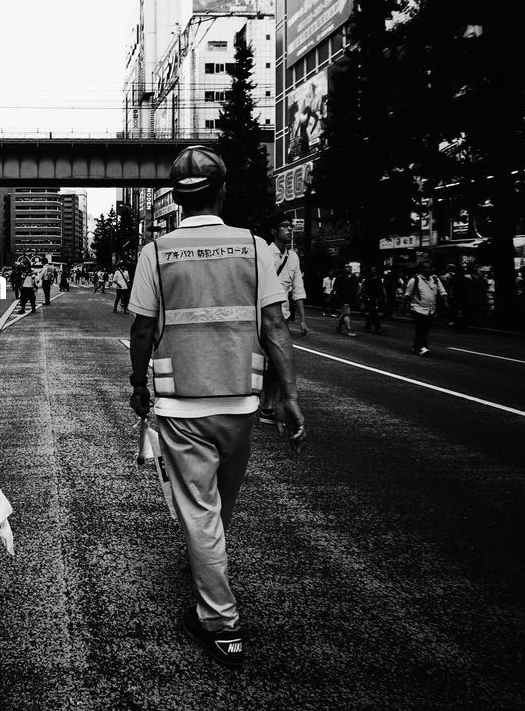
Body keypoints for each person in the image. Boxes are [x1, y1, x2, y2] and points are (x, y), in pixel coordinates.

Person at [127, 146, 304, 670]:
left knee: (201, 512)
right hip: (242, 401)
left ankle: (220, 620)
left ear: (176, 202)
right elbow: (275, 326)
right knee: (219, 505)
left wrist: (139, 383)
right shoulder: (255, 248)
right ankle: (210, 568)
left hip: (182, 401)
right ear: (222, 192)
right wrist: (289, 395)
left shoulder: (156, 253)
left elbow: (141, 329)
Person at [258, 215, 308, 430]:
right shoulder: (263, 253)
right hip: (259, 315)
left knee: (279, 363)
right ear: (273, 231)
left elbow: (297, 289)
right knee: (259, 362)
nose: (289, 230)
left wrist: (303, 320)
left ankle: (267, 406)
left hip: (282, 317)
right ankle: (254, 402)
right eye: (284, 226)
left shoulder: (293, 257)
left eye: (290, 226)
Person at [405, 261, 446, 356]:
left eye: (430, 267)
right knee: (421, 328)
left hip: (431, 310)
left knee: (425, 328)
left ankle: (416, 346)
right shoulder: (414, 280)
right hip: (418, 309)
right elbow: (408, 294)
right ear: (421, 270)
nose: (429, 269)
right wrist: (405, 307)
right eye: (426, 268)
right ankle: (422, 347)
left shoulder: (435, 279)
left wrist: (446, 302)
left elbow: (442, 291)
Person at [333, 267, 359, 337]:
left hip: (351, 298)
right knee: (347, 313)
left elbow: (356, 288)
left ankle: (339, 327)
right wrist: (331, 297)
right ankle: (349, 329)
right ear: (344, 269)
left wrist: (358, 297)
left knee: (344, 313)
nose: (349, 268)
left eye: (350, 267)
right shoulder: (340, 277)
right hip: (342, 298)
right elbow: (334, 288)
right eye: (347, 267)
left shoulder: (354, 277)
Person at [361, 267, 386, 335]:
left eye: (375, 269)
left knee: (372, 313)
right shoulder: (367, 279)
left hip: (377, 298)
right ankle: (378, 328)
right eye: (372, 270)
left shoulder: (378, 279)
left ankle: (367, 327)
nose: (373, 271)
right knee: (374, 313)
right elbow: (364, 289)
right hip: (369, 298)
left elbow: (381, 289)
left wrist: (383, 297)